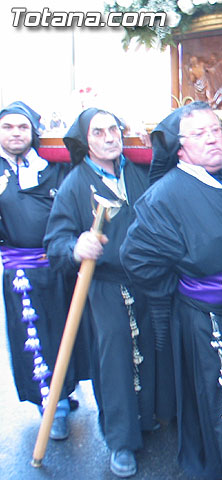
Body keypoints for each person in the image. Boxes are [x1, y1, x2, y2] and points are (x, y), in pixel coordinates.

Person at [120, 101, 222, 478]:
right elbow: (136, 258)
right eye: (200, 134)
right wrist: (185, 282)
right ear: (181, 147)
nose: (212, 140)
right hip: (209, 318)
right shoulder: (166, 195)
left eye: (216, 130)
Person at [43, 108, 172, 478]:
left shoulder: (137, 173)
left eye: (113, 129)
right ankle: (120, 441)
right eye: (98, 133)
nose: (108, 137)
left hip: (146, 284)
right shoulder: (74, 184)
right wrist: (75, 246)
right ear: (86, 140)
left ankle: (145, 420)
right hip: (104, 287)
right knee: (114, 362)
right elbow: (55, 242)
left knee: (149, 350)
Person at [0, 101, 83, 441]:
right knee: (37, 342)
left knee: (68, 335)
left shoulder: (54, 168)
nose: (15, 133)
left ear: (33, 132)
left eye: (22, 127)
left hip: (61, 266)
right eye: (7, 127)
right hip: (22, 274)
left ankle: (63, 392)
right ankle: (53, 409)